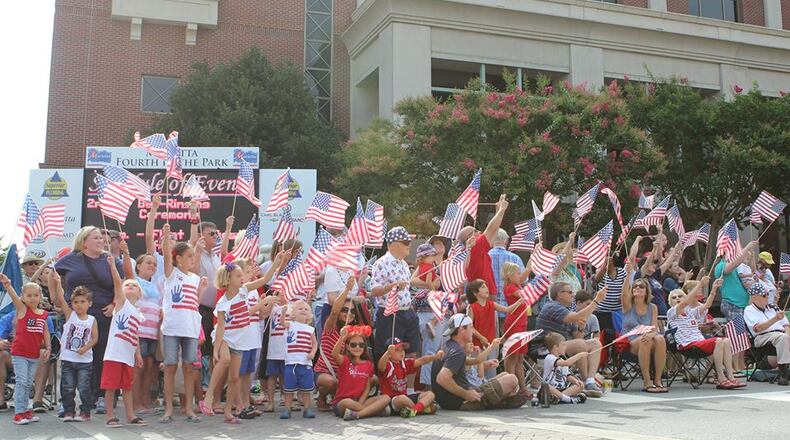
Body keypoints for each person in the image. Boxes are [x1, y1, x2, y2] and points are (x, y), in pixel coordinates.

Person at [55, 226, 126, 414]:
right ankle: (67, 401)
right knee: (72, 357)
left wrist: (114, 304)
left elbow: (122, 286)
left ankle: (101, 396)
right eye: (96, 237)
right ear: (84, 242)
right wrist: (59, 299)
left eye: (102, 238)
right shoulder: (69, 259)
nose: (101, 240)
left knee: (102, 356)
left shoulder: (112, 260)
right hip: (76, 318)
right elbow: (52, 276)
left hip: (103, 315)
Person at [199, 260, 279, 423]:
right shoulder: (223, 303)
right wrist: (216, 350)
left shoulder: (244, 290)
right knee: (226, 360)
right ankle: (208, 396)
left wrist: (277, 262)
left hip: (239, 340)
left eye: (242, 275)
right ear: (228, 280)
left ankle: (229, 412)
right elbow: (220, 327)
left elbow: (264, 280)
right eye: (238, 276)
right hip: (225, 338)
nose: (242, 278)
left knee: (234, 378)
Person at [159, 224, 207, 423]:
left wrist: (202, 289)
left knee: (189, 368)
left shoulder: (195, 278)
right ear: (178, 258)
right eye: (189, 256)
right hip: (172, 327)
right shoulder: (171, 273)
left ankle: (189, 408)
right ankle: (168, 408)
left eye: (193, 257)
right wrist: (165, 236)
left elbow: (195, 301)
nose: (192, 259)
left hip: (191, 328)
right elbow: (165, 252)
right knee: (170, 367)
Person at [432, 314, 523, 410]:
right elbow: (441, 378)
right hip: (461, 401)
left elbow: (475, 361)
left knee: (505, 374)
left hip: (447, 401)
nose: (473, 331)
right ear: (461, 329)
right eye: (471, 328)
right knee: (512, 379)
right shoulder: (457, 352)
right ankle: (502, 401)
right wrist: (466, 394)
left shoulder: (448, 345)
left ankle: (503, 399)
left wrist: (487, 357)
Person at [667, 277, 745, 389]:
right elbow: (685, 302)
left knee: (726, 340)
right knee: (718, 341)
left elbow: (707, 305)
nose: (678, 298)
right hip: (688, 345)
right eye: (674, 298)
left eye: (680, 296)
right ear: (671, 302)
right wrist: (700, 284)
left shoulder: (690, 312)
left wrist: (714, 288)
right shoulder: (672, 312)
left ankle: (731, 378)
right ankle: (721, 378)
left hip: (699, 343)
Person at [536, 282, 607, 397]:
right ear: (560, 294)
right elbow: (577, 320)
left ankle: (590, 380)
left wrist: (580, 328)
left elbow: (578, 337)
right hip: (546, 348)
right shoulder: (552, 306)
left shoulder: (566, 309)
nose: (573, 295)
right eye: (569, 292)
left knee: (595, 343)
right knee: (580, 344)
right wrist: (597, 300)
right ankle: (585, 382)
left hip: (562, 346)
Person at [101, 256, 146, 428]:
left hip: (127, 356)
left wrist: (138, 353)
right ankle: (110, 416)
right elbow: (117, 283)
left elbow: (135, 335)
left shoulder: (137, 313)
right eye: (127, 284)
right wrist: (113, 266)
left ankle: (130, 415)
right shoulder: (121, 304)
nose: (131, 286)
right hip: (114, 354)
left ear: (140, 293)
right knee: (111, 386)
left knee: (127, 386)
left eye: (134, 285)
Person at [0, 274, 51, 425]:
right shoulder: (22, 310)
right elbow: (14, 297)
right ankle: (18, 413)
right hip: (19, 354)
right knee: (22, 381)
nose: (33, 298)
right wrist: (8, 285)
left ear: (41, 297)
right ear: (23, 297)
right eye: (29, 295)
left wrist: (48, 347)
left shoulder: (43, 315)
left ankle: (25, 410)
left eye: (36, 295)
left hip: (34, 355)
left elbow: (45, 331)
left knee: (28, 383)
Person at [48, 272, 98, 421]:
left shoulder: (92, 319)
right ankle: (69, 410)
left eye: (82, 301)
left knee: (84, 388)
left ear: (89, 303)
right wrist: (58, 283)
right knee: (67, 387)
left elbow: (95, 338)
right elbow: (62, 300)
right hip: (68, 360)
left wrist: (86, 347)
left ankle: (85, 411)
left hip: (85, 361)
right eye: (76, 302)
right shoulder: (70, 315)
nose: (79, 305)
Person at [370, 226, 420, 360]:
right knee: (390, 353)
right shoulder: (381, 263)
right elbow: (374, 291)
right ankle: (390, 381)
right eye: (406, 242)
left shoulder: (404, 264)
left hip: (407, 311)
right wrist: (392, 286)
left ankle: (406, 381)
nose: (410, 245)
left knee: (412, 351)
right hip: (390, 314)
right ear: (395, 245)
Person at [621, 261, 667, 393]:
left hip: (649, 337)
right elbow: (624, 294)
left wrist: (652, 334)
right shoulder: (628, 306)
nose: (637, 288)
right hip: (631, 340)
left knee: (660, 339)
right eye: (635, 287)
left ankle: (657, 380)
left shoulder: (653, 307)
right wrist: (628, 276)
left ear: (647, 291)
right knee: (644, 340)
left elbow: (653, 327)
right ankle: (647, 381)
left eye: (641, 287)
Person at [314, 278, 359, 411]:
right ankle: (321, 399)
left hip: (343, 374)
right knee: (330, 382)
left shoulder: (354, 332)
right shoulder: (331, 326)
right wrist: (347, 289)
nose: (348, 313)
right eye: (345, 310)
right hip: (324, 372)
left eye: (352, 311)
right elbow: (334, 310)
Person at [330, 325, 390, 421]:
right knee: (347, 402)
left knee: (386, 398)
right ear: (347, 347)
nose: (357, 347)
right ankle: (375, 411)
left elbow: (367, 387)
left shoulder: (368, 364)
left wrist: (361, 402)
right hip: (342, 401)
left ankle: (357, 414)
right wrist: (342, 337)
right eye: (353, 345)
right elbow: (334, 354)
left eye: (361, 345)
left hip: (360, 401)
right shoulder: (344, 361)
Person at [466, 279, 523, 379]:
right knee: (478, 372)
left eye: (486, 286)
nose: (486, 288)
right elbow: (470, 326)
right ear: (475, 293)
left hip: (491, 344)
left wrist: (519, 301)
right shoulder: (472, 307)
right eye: (483, 287)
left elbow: (507, 309)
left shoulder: (491, 304)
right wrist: (481, 337)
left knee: (491, 372)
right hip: (477, 345)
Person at [457, 194, 509, 300]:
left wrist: (498, 211)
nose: (479, 231)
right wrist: (502, 209)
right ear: (468, 237)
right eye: (475, 231)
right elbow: (490, 229)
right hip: (482, 298)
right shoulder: (474, 246)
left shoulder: (474, 249)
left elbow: (493, 232)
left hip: (485, 297)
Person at [377, 337, 442, 418]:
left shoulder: (405, 363)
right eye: (397, 350)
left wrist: (436, 357)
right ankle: (421, 409)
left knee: (430, 394)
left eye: (402, 350)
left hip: (406, 397)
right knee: (402, 399)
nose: (401, 352)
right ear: (389, 353)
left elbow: (421, 360)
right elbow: (380, 366)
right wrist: (387, 353)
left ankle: (413, 410)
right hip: (392, 400)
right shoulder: (388, 364)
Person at [132, 253, 162, 414]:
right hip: (139, 332)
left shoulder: (156, 286)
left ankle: (145, 402)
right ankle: (135, 403)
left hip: (153, 333)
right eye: (148, 262)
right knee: (138, 368)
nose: (152, 265)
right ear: (138, 266)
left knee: (150, 368)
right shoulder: (134, 282)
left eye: (154, 264)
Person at [743, 283, 790, 385]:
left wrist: (788, 335)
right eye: (764, 295)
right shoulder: (749, 310)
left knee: (785, 336)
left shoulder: (774, 307)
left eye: (768, 294)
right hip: (762, 337)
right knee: (782, 337)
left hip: (779, 335)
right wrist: (775, 319)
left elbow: (786, 325)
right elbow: (758, 328)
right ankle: (783, 372)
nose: (767, 297)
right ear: (754, 297)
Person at [281, 300, 318, 419]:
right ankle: (287, 409)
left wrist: (312, 353)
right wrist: (282, 313)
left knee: (306, 389)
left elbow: (315, 344)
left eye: (306, 309)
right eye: (300, 308)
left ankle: (307, 409)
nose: (303, 310)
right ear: (293, 313)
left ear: (309, 315)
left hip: (305, 362)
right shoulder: (290, 324)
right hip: (291, 362)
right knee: (289, 389)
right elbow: (281, 323)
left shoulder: (310, 329)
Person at [501, 262, 531, 393]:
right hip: (514, 324)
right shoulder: (510, 287)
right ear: (510, 275)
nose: (520, 275)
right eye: (517, 273)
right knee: (512, 357)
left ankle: (522, 389)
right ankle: (511, 388)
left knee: (520, 358)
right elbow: (524, 295)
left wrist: (531, 262)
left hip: (522, 323)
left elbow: (525, 275)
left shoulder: (516, 284)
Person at [488, 229, 525, 325]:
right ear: (506, 241)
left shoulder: (486, 256)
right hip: (512, 309)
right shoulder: (515, 258)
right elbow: (523, 280)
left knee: (494, 338)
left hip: (491, 307)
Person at [541, 332, 588, 404]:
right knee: (546, 386)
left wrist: (575, 381)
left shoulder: (562, 359)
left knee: (580, 385)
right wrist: (580, 355)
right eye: (563, 345)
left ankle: (558, 399)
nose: (565, 347)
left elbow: (567, 375)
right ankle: (569, 399)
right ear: (555, 347)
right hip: (548, 390)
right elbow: (566, 363)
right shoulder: (550, 358)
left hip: (561, 390)